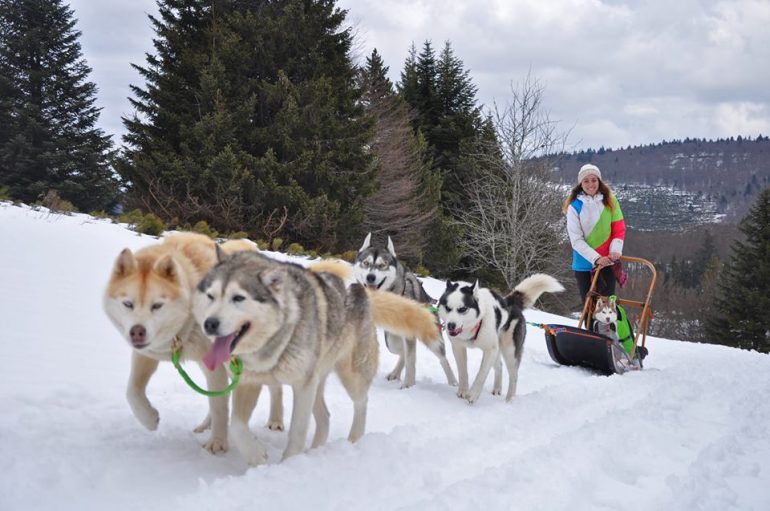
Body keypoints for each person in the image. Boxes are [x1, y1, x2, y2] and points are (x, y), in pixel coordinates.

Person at [563, 163, 626, 305]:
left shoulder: (610, 200)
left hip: (607, 263)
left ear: (599, 181)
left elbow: (619, 228)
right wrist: (596, 258)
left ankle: (609, 328)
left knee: (607, 308)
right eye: (586, 180)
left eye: (594, 180)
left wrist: (615, 250)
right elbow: (576, 240)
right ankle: (590, 328)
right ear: (581, 184)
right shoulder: (574, 206)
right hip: (584, 264)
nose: (590, 184)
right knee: (590, 308)